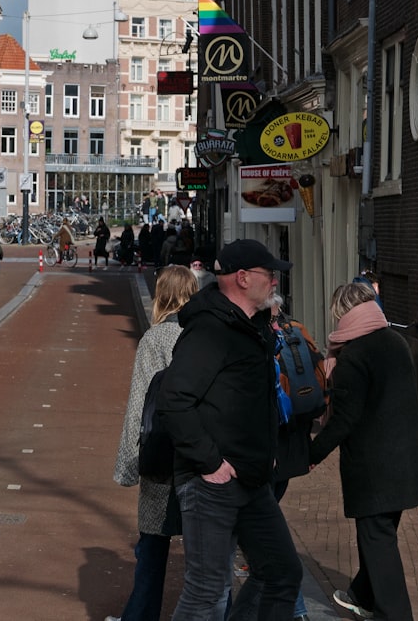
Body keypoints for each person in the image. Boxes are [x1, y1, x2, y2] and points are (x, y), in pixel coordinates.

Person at [157, 238, 302, 620]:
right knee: (206, 592)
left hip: (252, 481)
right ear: (242, 278)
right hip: (213, 484)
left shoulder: (254, 329)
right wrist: (210, 463)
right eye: (269, 275)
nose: (275, 282)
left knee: (282, 573)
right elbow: (174, 400)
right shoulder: (210, 331)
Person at [309, 282, 418, 621]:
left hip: (376, 468)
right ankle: (361, 595)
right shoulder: (395, 341)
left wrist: (311, 454)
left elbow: (344, 420)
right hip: (409, 458)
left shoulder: (353, 356)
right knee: (381, 534)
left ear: (342, 314)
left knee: (378, 539)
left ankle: (393, 613)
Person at [108, 265, 200, 621]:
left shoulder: (156, 339)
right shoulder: (205, 335)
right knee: (204, 553)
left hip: (162, 456)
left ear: (161, 295)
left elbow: (140, 406)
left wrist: (129, 465)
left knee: (152, 546)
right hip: (200, 456)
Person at [236, 294, 321, 621]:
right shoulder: (297, 331)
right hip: (292, 450)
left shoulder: (257, 343)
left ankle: (295, 611)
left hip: (265, 454)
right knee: (268, 538)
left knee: (268, 545)